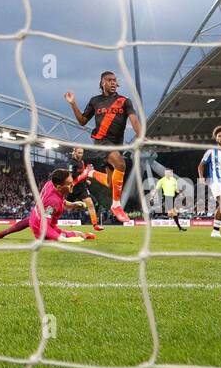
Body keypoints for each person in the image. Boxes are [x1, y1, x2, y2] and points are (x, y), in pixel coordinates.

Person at [64, 70, 143, 223]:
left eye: (115, 80)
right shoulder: (95, 101)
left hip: (116, 145)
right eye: (110, 80)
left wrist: (140, 134)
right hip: (101, 142)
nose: (113, 82)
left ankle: (91, 173)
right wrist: (73, 104)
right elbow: (82, 120)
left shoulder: (125, 101)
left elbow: (134, 119)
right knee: (121, 163)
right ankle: (116, 205)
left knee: (109, 182)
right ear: (103, 83)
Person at [29, 168, 96, 243]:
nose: (72, 185)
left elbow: (61, 201)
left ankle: (82, 235)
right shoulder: (52, 202)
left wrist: (73, 204)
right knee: (63, 236)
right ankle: (70, 236)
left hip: (45, 223)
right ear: (59, 187)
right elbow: (44, 226)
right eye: (69, 183)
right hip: (41, 228)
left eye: (72, 182)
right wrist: (65, 240)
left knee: (79, 234)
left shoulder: (54, 186)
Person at [67, 146, 103, 232]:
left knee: (90, 204)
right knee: (63, 206)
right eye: (79, 153)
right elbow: (70, 176)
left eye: (82, 153)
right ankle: (49, 219)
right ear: (75, 152)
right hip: (72, 188)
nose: (80, 155)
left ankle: (95, 225)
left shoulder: (82, 162)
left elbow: (83, 174)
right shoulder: (72, 163)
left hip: (82, 188)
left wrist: (86, 180)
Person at [157, 167, 186, 231]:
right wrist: (152, 197)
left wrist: (180, 191)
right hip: (166, 198)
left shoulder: (174, 180)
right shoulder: (162, 180)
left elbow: (176, 190)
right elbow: (156, 190)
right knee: (173, 213)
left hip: (172, 198)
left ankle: (179, 227)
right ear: (165, 173)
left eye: (170, 172)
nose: (169, 174)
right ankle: (179, 227)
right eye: (167, 172)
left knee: (173, 214)